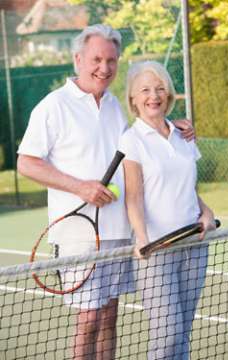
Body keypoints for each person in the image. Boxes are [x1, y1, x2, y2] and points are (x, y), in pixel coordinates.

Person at [17, 24, 195, 360]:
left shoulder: (116, 105)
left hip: (120, 233)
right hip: (78, 236)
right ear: (78, 59)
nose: (104, 68)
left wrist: (177, 125)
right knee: (89, 319)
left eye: (111, 60)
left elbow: (146, 134)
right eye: (96, 59)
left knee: (110, 318)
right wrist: (80, 186)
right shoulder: (53, 106)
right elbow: (26, 163)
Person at [119, 60, 216, 360]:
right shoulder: (131, 140)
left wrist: (206, 212)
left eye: (160, 88)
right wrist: (142, 238)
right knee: (168, 334)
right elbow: (133, 197)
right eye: (145, 89)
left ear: (169, 94)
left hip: (194, 245)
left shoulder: (182, 134)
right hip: (156, 251)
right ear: (133, 98)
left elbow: (187, 186)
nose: (154, 95)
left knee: (182, 334)